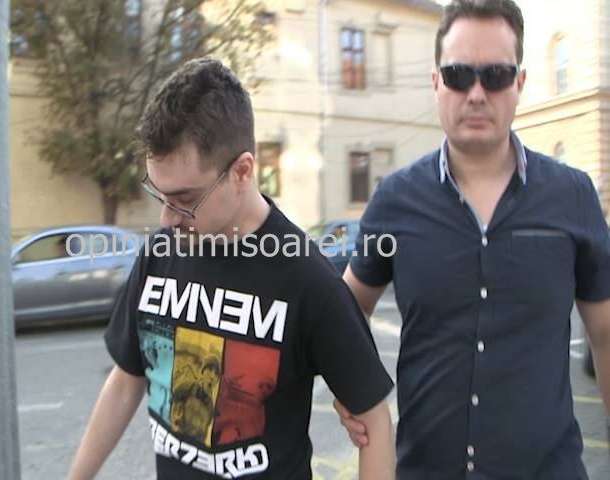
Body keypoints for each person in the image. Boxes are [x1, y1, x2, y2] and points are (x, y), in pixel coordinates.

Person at [67, 57, 396, 479]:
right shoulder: (160, 253)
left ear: (242, 172)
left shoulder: (307, 279)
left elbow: (374, 422)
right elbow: (125, 381)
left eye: (185, 199)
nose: (167, 217)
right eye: (159, 194)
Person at [334, 0, 610, 478]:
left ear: (519, 83)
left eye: (496, 75)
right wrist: (353, 387)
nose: (477, 93)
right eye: (459, 75)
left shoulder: (573, 195)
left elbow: (605, 334)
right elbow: (345, 308)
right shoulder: (395, 199)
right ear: (436, 82)